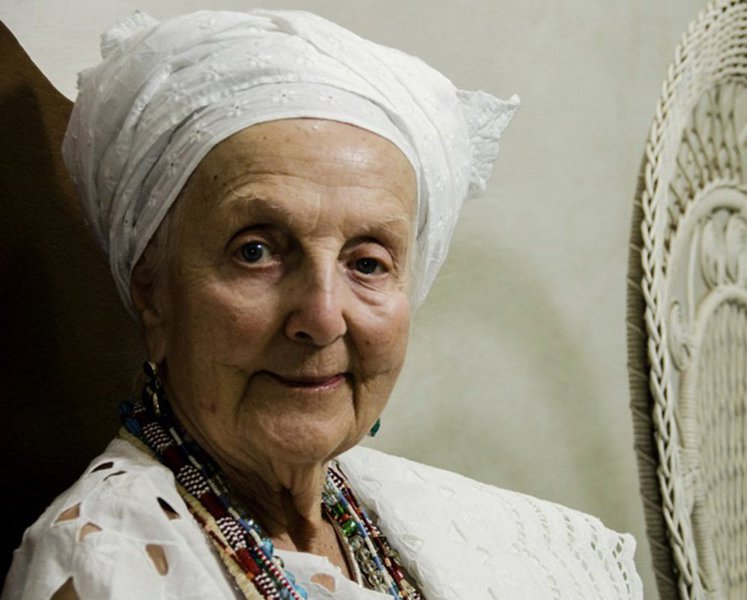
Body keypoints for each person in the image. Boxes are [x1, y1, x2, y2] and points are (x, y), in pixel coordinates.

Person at [2, 9, 643, 600]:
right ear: (154, 293)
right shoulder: (108, 566)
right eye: (256, 251)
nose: (323, 316)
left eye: (367, 263)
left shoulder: (492, 535)